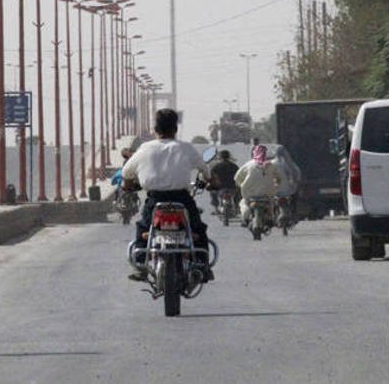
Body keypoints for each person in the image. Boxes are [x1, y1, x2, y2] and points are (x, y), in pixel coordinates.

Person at [122, 109, 214, 282]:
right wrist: (211, 181)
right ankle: (203, 265)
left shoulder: (144, 149)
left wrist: (128, 187)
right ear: (175, 129)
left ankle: (140, 265)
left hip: (155, 200)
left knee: (143, 228)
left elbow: (127, 173)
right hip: (182, 200)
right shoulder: (186, 148)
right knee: (198, 230)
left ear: (156, 130)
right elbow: (205, 170)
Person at [234, 144, 285, 225]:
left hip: (250, 192)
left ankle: (245, 218)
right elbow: (279, 178)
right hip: (267, 192)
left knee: (244, 202)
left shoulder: (249, 164)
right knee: (271, 202)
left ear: (255, 153)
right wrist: (276, 186)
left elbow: (237, 177)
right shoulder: (271, 165)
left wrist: (241, 185)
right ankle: (270, 218)